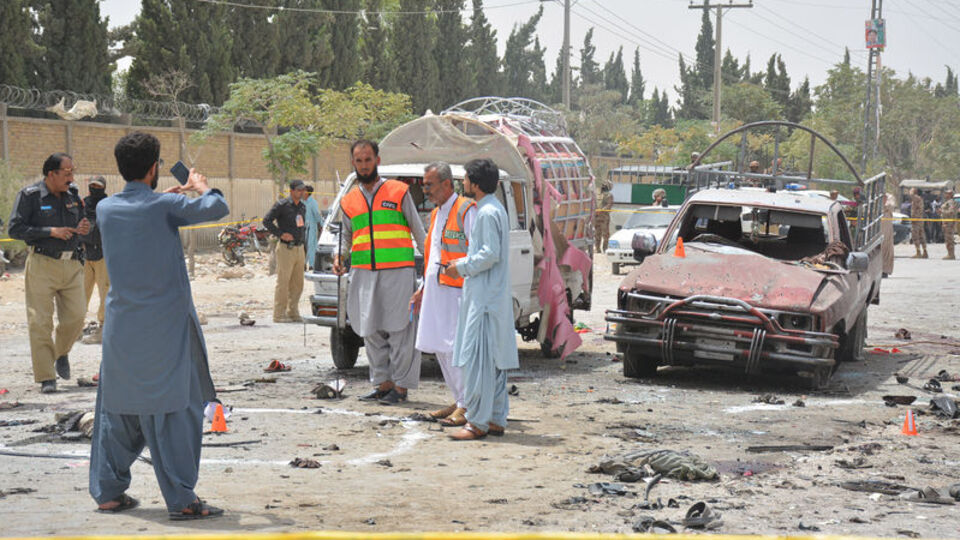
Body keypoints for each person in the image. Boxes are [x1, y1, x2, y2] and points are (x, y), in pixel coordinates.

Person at [89, 131, 227, 519]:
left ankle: (109, 492)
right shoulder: (166, 205)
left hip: (122, 328)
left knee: (116, 409)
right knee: (176, 410)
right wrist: (201, 187)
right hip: (165, 328)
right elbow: (217, 207)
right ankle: (182, 499)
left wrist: (161, 195)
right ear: (153, 167)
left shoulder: (106, 209)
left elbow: (141, 208)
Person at [333, 140, 426, 405]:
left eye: (368, 160)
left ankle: (400, 387)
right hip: (363, 273)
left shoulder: (398, 191)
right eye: (359, 161)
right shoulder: (349, 200)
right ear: (353, 163)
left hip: (398, 271)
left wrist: (430, 266)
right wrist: (340, 257)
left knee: (399, 330)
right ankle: (382, 384)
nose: (364, 165)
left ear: (378, 160)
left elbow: (419, 233)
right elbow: (347, 237)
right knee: (370, 329)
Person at [443, 158, 519, 440]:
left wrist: (459, 266)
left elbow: (489, 254)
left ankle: (476, 422)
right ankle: (496, 418)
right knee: (495, 363)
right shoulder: (493, 209)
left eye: (464, 179)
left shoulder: (486, 213)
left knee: (479, 363)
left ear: (474, 183)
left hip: (484, 300)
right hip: (490, 296)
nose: (462, 184)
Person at [7, 152, 90, 393]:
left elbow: (82, 222)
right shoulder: (30, 196)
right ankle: (46, 377)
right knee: (40, 321)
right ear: (51, 174)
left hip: (72, 265)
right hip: (43, 264)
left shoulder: (73, 195)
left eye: (72, 172)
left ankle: (60, 353)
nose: (71, 177)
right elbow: (15, 229)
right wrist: (50, 231)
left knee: (77, 316)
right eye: (67, 173)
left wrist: (83, 227)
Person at [410, 162, 477, 426]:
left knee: (456, 349)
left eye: (430, 185)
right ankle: (459, 400)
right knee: (440, 348)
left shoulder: (466, 210)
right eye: (424, 185)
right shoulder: (437, 213)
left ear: (447, 184)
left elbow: (476, 254)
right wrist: (422, 290)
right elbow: (433, 255)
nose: (426, 190)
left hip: (457, 291)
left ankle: (469, 404)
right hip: (436, 290)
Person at [263, 180, 307, 322]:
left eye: (303, 190)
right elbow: (267, 220)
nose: (301, 193)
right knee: (283, 282)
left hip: (299, 248)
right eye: (299, 190)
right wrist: (280, 234)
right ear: (292, 191)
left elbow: (301, 227)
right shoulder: (282, 205)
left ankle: (292, 312)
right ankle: (279, 314)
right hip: (286, 249)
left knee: (297, 283)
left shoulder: (302, 207)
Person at [80, 176, 110, 344]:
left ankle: (103, 327)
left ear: (103, 188)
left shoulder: (107, 205)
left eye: (97, 186)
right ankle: (76, 328)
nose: (94, 188)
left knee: (105, 292)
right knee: (81, 293)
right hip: (85, 255)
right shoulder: (83, 204)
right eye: (91, 185)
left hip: (103, 255)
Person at [304, 184, 323, 270]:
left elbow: (316, 214)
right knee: (303, 246)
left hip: (311, 227)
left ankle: (311, 265)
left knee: (311, 246)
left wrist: (320, 225)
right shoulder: (301, 201)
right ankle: (303, 263)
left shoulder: (312, 202)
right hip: (302, 227)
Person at [594, 182, 613, 252]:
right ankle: (598, 248)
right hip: (598, 217)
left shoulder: (608, 195)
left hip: (603, 217)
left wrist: (601, 210)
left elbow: (609, 205)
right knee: (597, 234)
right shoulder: (598, 195)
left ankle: (605, 248)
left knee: (605, 234)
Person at [910, 187, 928, 258]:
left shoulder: (917, 198)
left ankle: (918, 252)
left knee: (915, 236)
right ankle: (925, 251)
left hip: (916, 220)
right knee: (922, 236)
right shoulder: (920, 199)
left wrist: (912, 190)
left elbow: (911, 195)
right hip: (919, 220)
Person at [940, 189, 957, 260]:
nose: (945, 195)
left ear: (950, 194)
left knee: (949, 239)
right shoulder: (948, 202)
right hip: (946, 223)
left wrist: (942, 211)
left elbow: (951, 212)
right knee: (948, 239)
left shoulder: (951, 202)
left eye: (947, 193)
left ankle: (951, 254)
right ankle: (950, 254)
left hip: (949, 224)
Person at [881, 193, 895, 276]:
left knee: (886, 246)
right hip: (876, 226)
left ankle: (885, 269)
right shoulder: (874, 196)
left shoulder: (890, 197)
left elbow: (890, 206)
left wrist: (883, 203)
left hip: (886, 225)